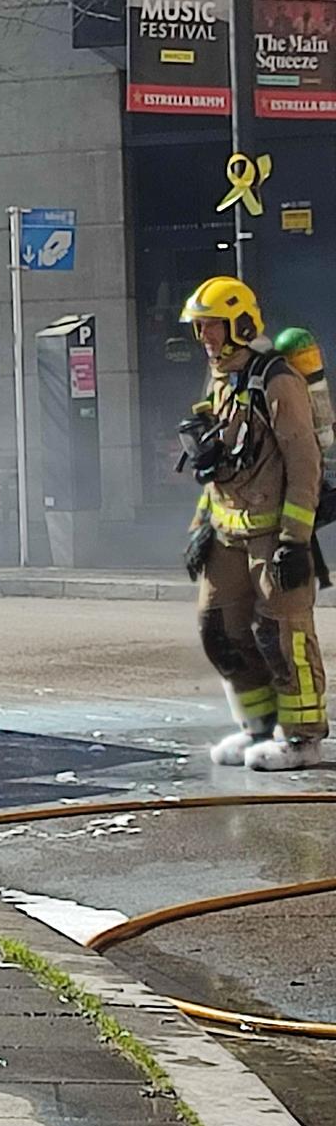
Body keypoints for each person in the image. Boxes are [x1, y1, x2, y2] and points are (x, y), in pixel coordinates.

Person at [180, 277, 328, 771]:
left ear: (240, 325)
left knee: (282, 634)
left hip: (273, 535)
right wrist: (201, 524)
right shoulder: (219, 376)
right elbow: (218, 461)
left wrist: (295, 540)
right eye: (199, 327)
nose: (205, 337)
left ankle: (303, 739)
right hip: (225, 531)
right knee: (217, 629)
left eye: (212, 327)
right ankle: (258, 728)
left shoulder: (277, 379)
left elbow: (303, 461)